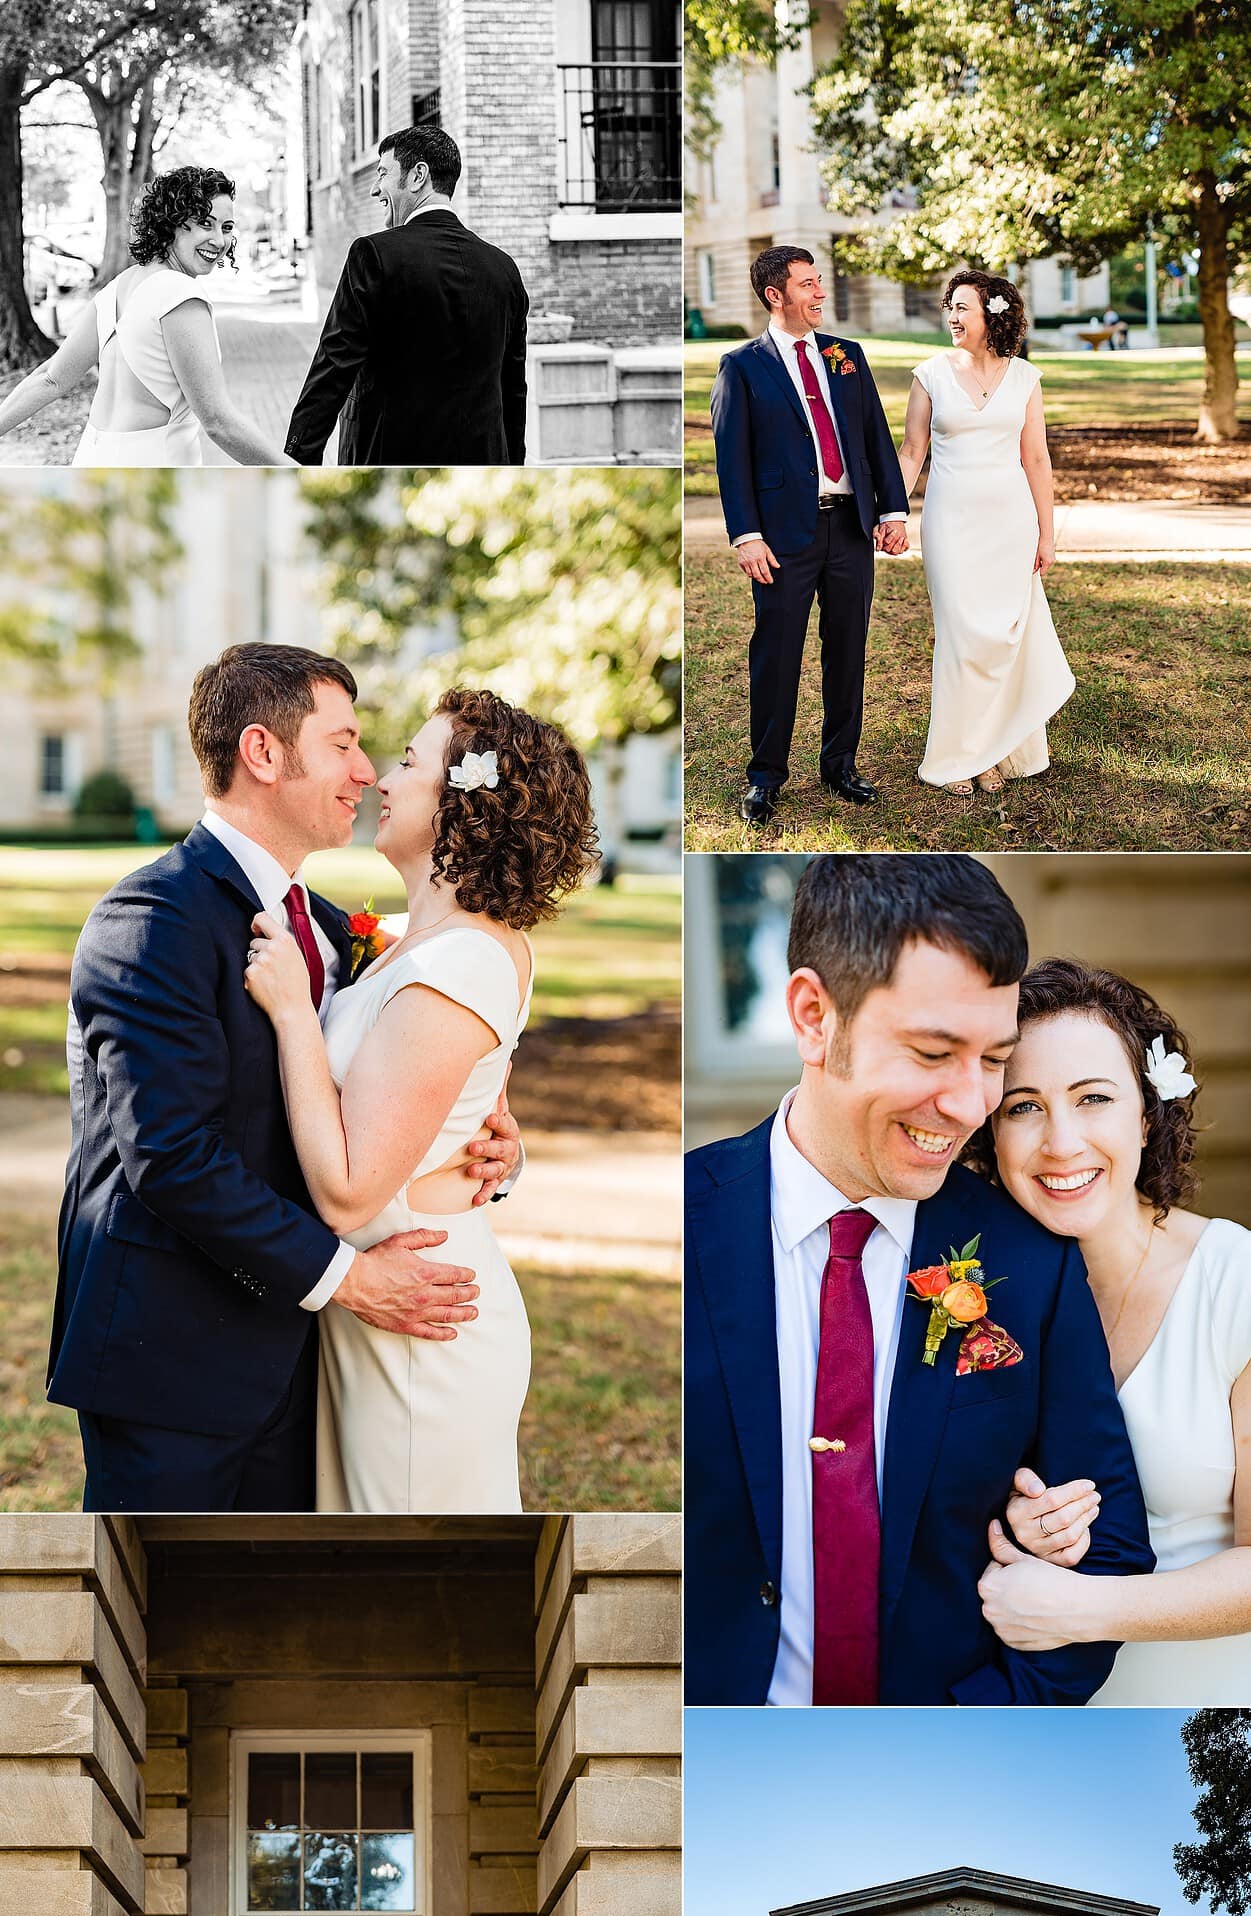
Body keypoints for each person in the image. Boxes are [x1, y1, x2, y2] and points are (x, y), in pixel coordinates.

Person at [48, 643, 521, 1512]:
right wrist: (352, 1280)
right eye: (342, 743)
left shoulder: (338, 933)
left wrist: (479, 1142)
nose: (365, 771)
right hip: (174, 1359)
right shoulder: (150, 920)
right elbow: (171, 1156)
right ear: (262, 752)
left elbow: (390, 1080)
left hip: (308, 1359)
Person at [684, 855, 1154, 1707]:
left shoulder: (1031, 1261)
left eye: (993, 1060)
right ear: (813, 1017)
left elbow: (1110, 1553)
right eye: (934, 1053)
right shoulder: (679, 1219)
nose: (971, 1105)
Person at [243, 687, 597, 1511]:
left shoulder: (461, 961)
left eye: (408, 762)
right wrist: (498, 1151)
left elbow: (347, 1193)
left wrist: (293, 1015)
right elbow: (459, 1108)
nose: (381, 779)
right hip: (378, 1313)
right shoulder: (423, 942)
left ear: (460, 804)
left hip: (423, 1332)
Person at [968, 960, 1251, 1702]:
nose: (1061, 1142)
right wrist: (1020, 1526)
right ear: (989, 1129)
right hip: (1036, 1723)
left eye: (1092, 1098)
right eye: (1023, 1107)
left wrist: (1084, 1608)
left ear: (1147, 1114)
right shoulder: (970, 1297)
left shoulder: (1235, 1284)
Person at [710, 246, 910, 829]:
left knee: (848, 650)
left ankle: (840, 766)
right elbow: (731, 459)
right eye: (807, 284)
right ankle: (765, 776)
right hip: (782, 537)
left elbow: (875, 436)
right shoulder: (741, 366)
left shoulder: (847, 356)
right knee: (777, 656)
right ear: (775, 295)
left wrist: (892, 511)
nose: (820, 292)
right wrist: (747, 535)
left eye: (819, 281)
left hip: (850, 527)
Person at [897, 269, 1074, 795]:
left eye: (963, 308)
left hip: (1010, 525)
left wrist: (1046, 534)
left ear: (993, 314)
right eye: (949, 307)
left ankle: (993, 752)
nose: (952, 317)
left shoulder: (1025, 378)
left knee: (1003, 639)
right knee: (962, 638)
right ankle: (956, 757)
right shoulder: (930, 374)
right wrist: (890, 514)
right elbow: (912, 452)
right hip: (950, 524)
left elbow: (1036, 458)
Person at [0, 167, 284, 465]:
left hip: (91, 464)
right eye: (205, 223)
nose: (219, 240)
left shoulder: (115, 288)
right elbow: (218, 422)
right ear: (171, 222)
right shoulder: (179, 294)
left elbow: (50, 380)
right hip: (150, 477)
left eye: (227, 227)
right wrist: (297, 476)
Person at [285, 125, 528, 465]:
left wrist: (296, 461)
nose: (375, 188)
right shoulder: (504, 269)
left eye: (383, 173)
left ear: (417, 176)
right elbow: (513, 391)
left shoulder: (373, 255)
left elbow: (333, 366)